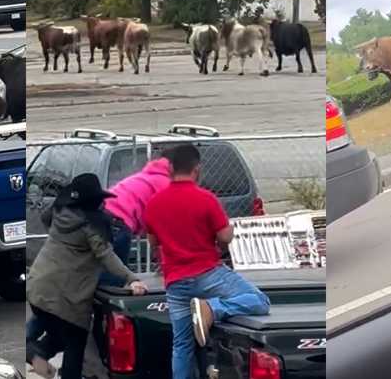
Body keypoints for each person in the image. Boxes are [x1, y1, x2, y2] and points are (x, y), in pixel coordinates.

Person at [144, 144, 271, 379]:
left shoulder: (154, 203)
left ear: (170, 169)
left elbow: (153, 242)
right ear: (197, 169)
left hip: (175, 282)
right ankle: (212, 309)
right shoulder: (205, 199)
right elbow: (224, 236)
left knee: (182, 345)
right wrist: (223, 240)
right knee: (259, 301)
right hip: (208, 274)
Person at [25, 173, 148, 379]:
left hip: (38, 287)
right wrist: (132, 278)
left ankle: (36, 353)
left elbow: (45, 219)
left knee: (59, 336)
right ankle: (38, 355)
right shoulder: (92, 224)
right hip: (66, 296)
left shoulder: (59, 209)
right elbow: (107, 256)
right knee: (76, 340)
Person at [100, 153, 174, 286]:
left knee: (101, 268)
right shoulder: (165, 184)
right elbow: (163, 231)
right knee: (115, 276)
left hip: (102, 212)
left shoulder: (146, 176)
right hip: (118, 220)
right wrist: (166, 266)